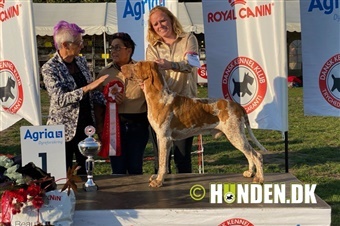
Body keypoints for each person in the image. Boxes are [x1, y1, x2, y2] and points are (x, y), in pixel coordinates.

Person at [41, 20, 108, 175]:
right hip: (63, 130)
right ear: (65, 45)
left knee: (85, 170)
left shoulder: (81, 61)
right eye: (78, 43)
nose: (82, 46)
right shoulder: (49, 68)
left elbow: (92, 91)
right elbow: (59, 99)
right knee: (61, 173)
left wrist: (109, 99)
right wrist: (86, 88)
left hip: (85, 125)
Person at [146, 6, 199, 173]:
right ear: (152, 28)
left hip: (184, 104)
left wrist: (171, 65)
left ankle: (186, 193)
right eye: (155, 24)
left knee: (183, 155)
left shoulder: (188, 39)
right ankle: (161, 193)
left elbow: (192, 65)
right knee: (161, 157)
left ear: (171, 20)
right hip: (161, 107)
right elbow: (151, 76)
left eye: (163, 20)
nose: (160, 25)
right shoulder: (152, 48)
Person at [95, 32, 149, 175]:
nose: (113, 51)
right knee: (117, 169)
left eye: (117, 48)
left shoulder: (142, 70)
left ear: (129, 50)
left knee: (135, 167)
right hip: (113, 127)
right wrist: (100, 130)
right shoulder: (104, 74)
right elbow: (97, 104)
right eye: (111, 48)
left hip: (138, 126)